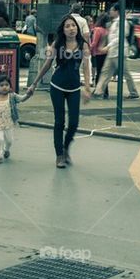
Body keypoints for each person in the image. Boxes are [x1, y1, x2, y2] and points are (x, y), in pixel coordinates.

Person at [27, 15, 92, 168]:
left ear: (77, 28)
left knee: (74, 123)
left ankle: (66, 147)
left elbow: (86, 67)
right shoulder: (58, 43)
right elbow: (47, 64)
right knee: (59, 121)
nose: (71, 28)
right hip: (57, 86)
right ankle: (59, 156)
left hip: (75, 87)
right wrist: (34, 83)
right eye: (68, 26)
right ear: (63, 29)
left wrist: (87, 88)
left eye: (73, 25)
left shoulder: (83, 45)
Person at [94, 4, 139, 99]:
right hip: (113, 52)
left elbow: (120, 37)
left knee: (124, 73)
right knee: (105, 72)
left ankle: (134, 93)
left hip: (119, 52)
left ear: (117, 11)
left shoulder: (122, 22)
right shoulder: (115, 22)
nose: (110, 12)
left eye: (112, 10)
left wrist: (107, 47)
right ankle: (98, 91)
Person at [0, 74, 31, 163]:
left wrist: (28, 94)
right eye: (1, 85)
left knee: (10, 141)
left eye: (6, 85)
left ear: (10, 86)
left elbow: (22, 99)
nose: (4, 87)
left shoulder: (12, 96)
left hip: (9, 124)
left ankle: (6, 149)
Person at [90, 14, 109, 90]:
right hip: (105, 53)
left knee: (99, 72)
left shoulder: (98, 29)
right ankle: (105, 91)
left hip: (98, 53)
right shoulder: (107, 30)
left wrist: (89, 48)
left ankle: (98, 90)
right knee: (103, 72)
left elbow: (94, 42)